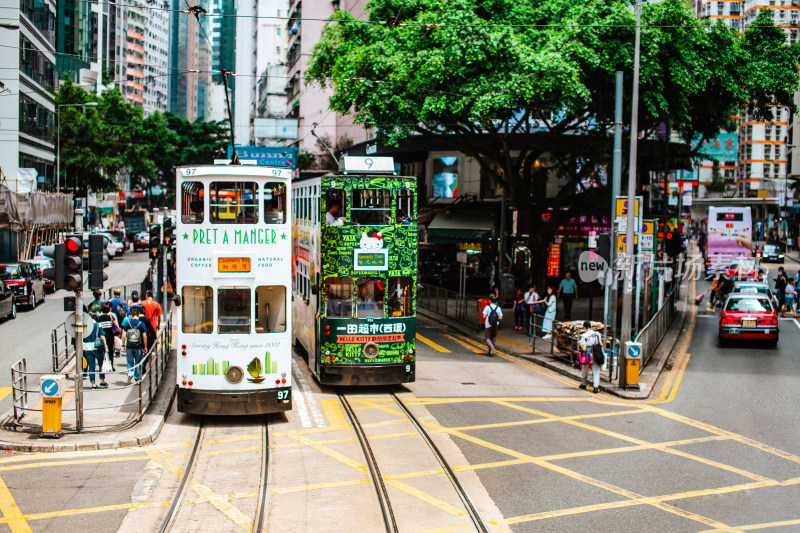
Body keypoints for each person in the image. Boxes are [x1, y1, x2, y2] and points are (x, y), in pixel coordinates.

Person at [122, 306, 148, 383]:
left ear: (131, 314)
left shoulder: (128, 323)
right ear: (139, 314)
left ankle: (130, 373)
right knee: (138, 362)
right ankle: (137, 378)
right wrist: (145, 346)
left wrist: (123, 345)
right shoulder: (141, 324)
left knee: (129, 361)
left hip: (129, 346)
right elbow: (144, 336)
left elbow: (123, 335)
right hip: (138, 346)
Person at [82, 315, 109, 389]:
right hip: (97, 347)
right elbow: (102, 336)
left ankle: (93, 384)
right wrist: (106, 347)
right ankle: (102, 381)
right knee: (101, 364)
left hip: (87, 348)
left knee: (91, 366)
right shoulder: (97, 324)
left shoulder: (85, 325)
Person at [578, 321, 602, 393]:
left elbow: (584, 348)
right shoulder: (597, 334)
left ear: (585, 327)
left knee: (585, 370)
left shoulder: (584, 336)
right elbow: (601, 344)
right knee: (596, 371)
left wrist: (580, 344)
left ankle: (583, 384)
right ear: (591, 327)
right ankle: (595, 387)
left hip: (587, 355)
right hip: (596, 354)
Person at [96, 302, 118, 372]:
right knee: (111, 351)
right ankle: (111, 366)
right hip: (110, 337)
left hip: (102, 337)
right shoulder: (110, 317)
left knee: (102, 351)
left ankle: (102, 366)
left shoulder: (99, 318)